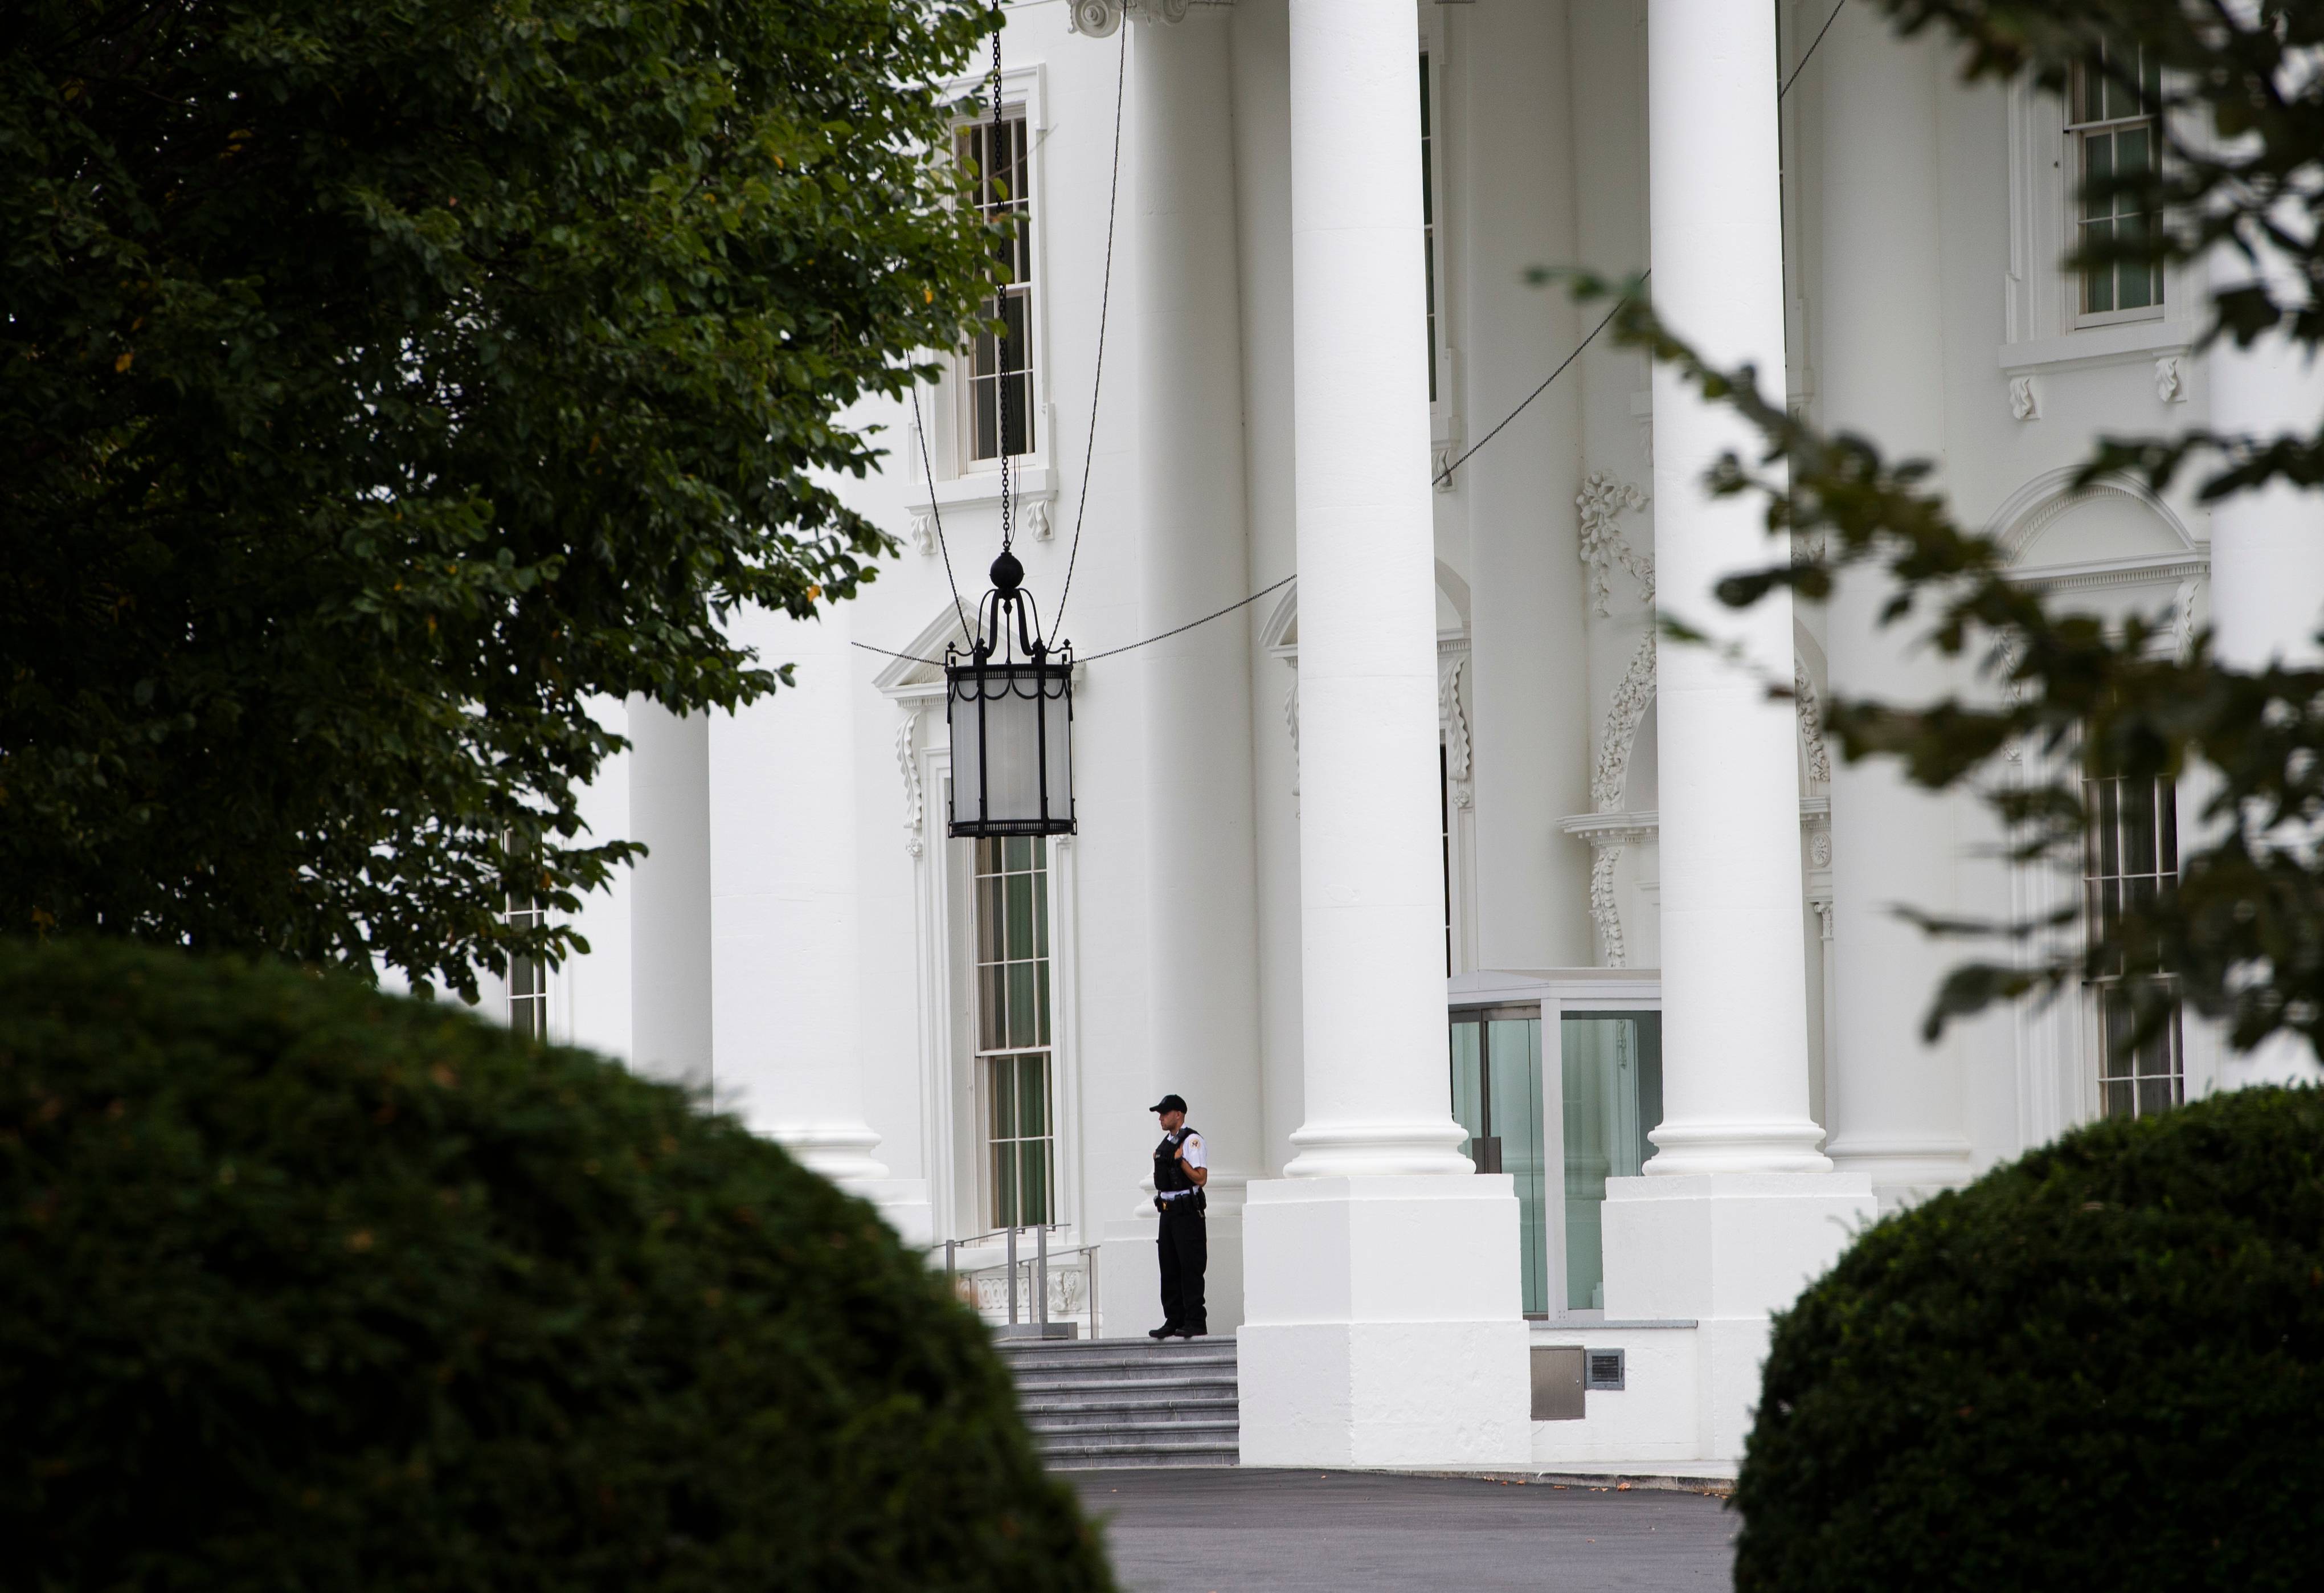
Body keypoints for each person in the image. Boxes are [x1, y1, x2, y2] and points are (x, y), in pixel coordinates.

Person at [1147, 1094, 1208, 1339]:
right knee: (1169, 1267)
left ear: (1179, 1115)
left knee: (1189, 1266)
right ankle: (1173, 1319)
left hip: (1187, 1212)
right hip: (1168, 1213)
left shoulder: (1192, 1141)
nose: (1160, 1118)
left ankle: (1195, 1321)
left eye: (1165, 1113)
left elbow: (1201, 1178)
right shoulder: (1165, 1144)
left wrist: (1180, 1161)